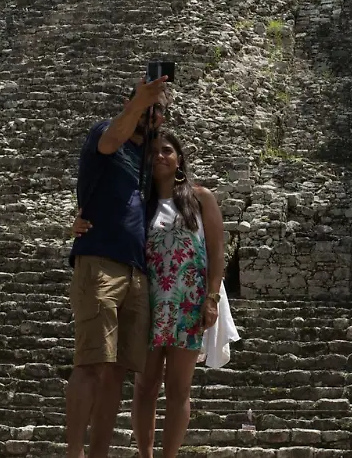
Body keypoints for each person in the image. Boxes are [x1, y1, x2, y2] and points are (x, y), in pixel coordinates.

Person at [73, 130, 226, 458]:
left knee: (178, 389)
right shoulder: (140, 203)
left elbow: (216, 253)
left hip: (188, 302)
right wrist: (81, 219)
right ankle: (146, 454)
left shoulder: (201, 198)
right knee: (145, 387)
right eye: (153, 152)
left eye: (167, 150)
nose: (159, 156)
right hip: (149, 301)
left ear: (179, 158)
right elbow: (112, 223)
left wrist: (211, 299)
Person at [64, 74, 169, 458]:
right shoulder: (104, 132)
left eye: (159, 110)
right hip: (101, 260)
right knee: (91, 362)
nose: (153, 115)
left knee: (119, 372)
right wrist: (138, 104)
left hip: (136, 271)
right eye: (147, 106)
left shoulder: (148, 160)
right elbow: (111, 142)